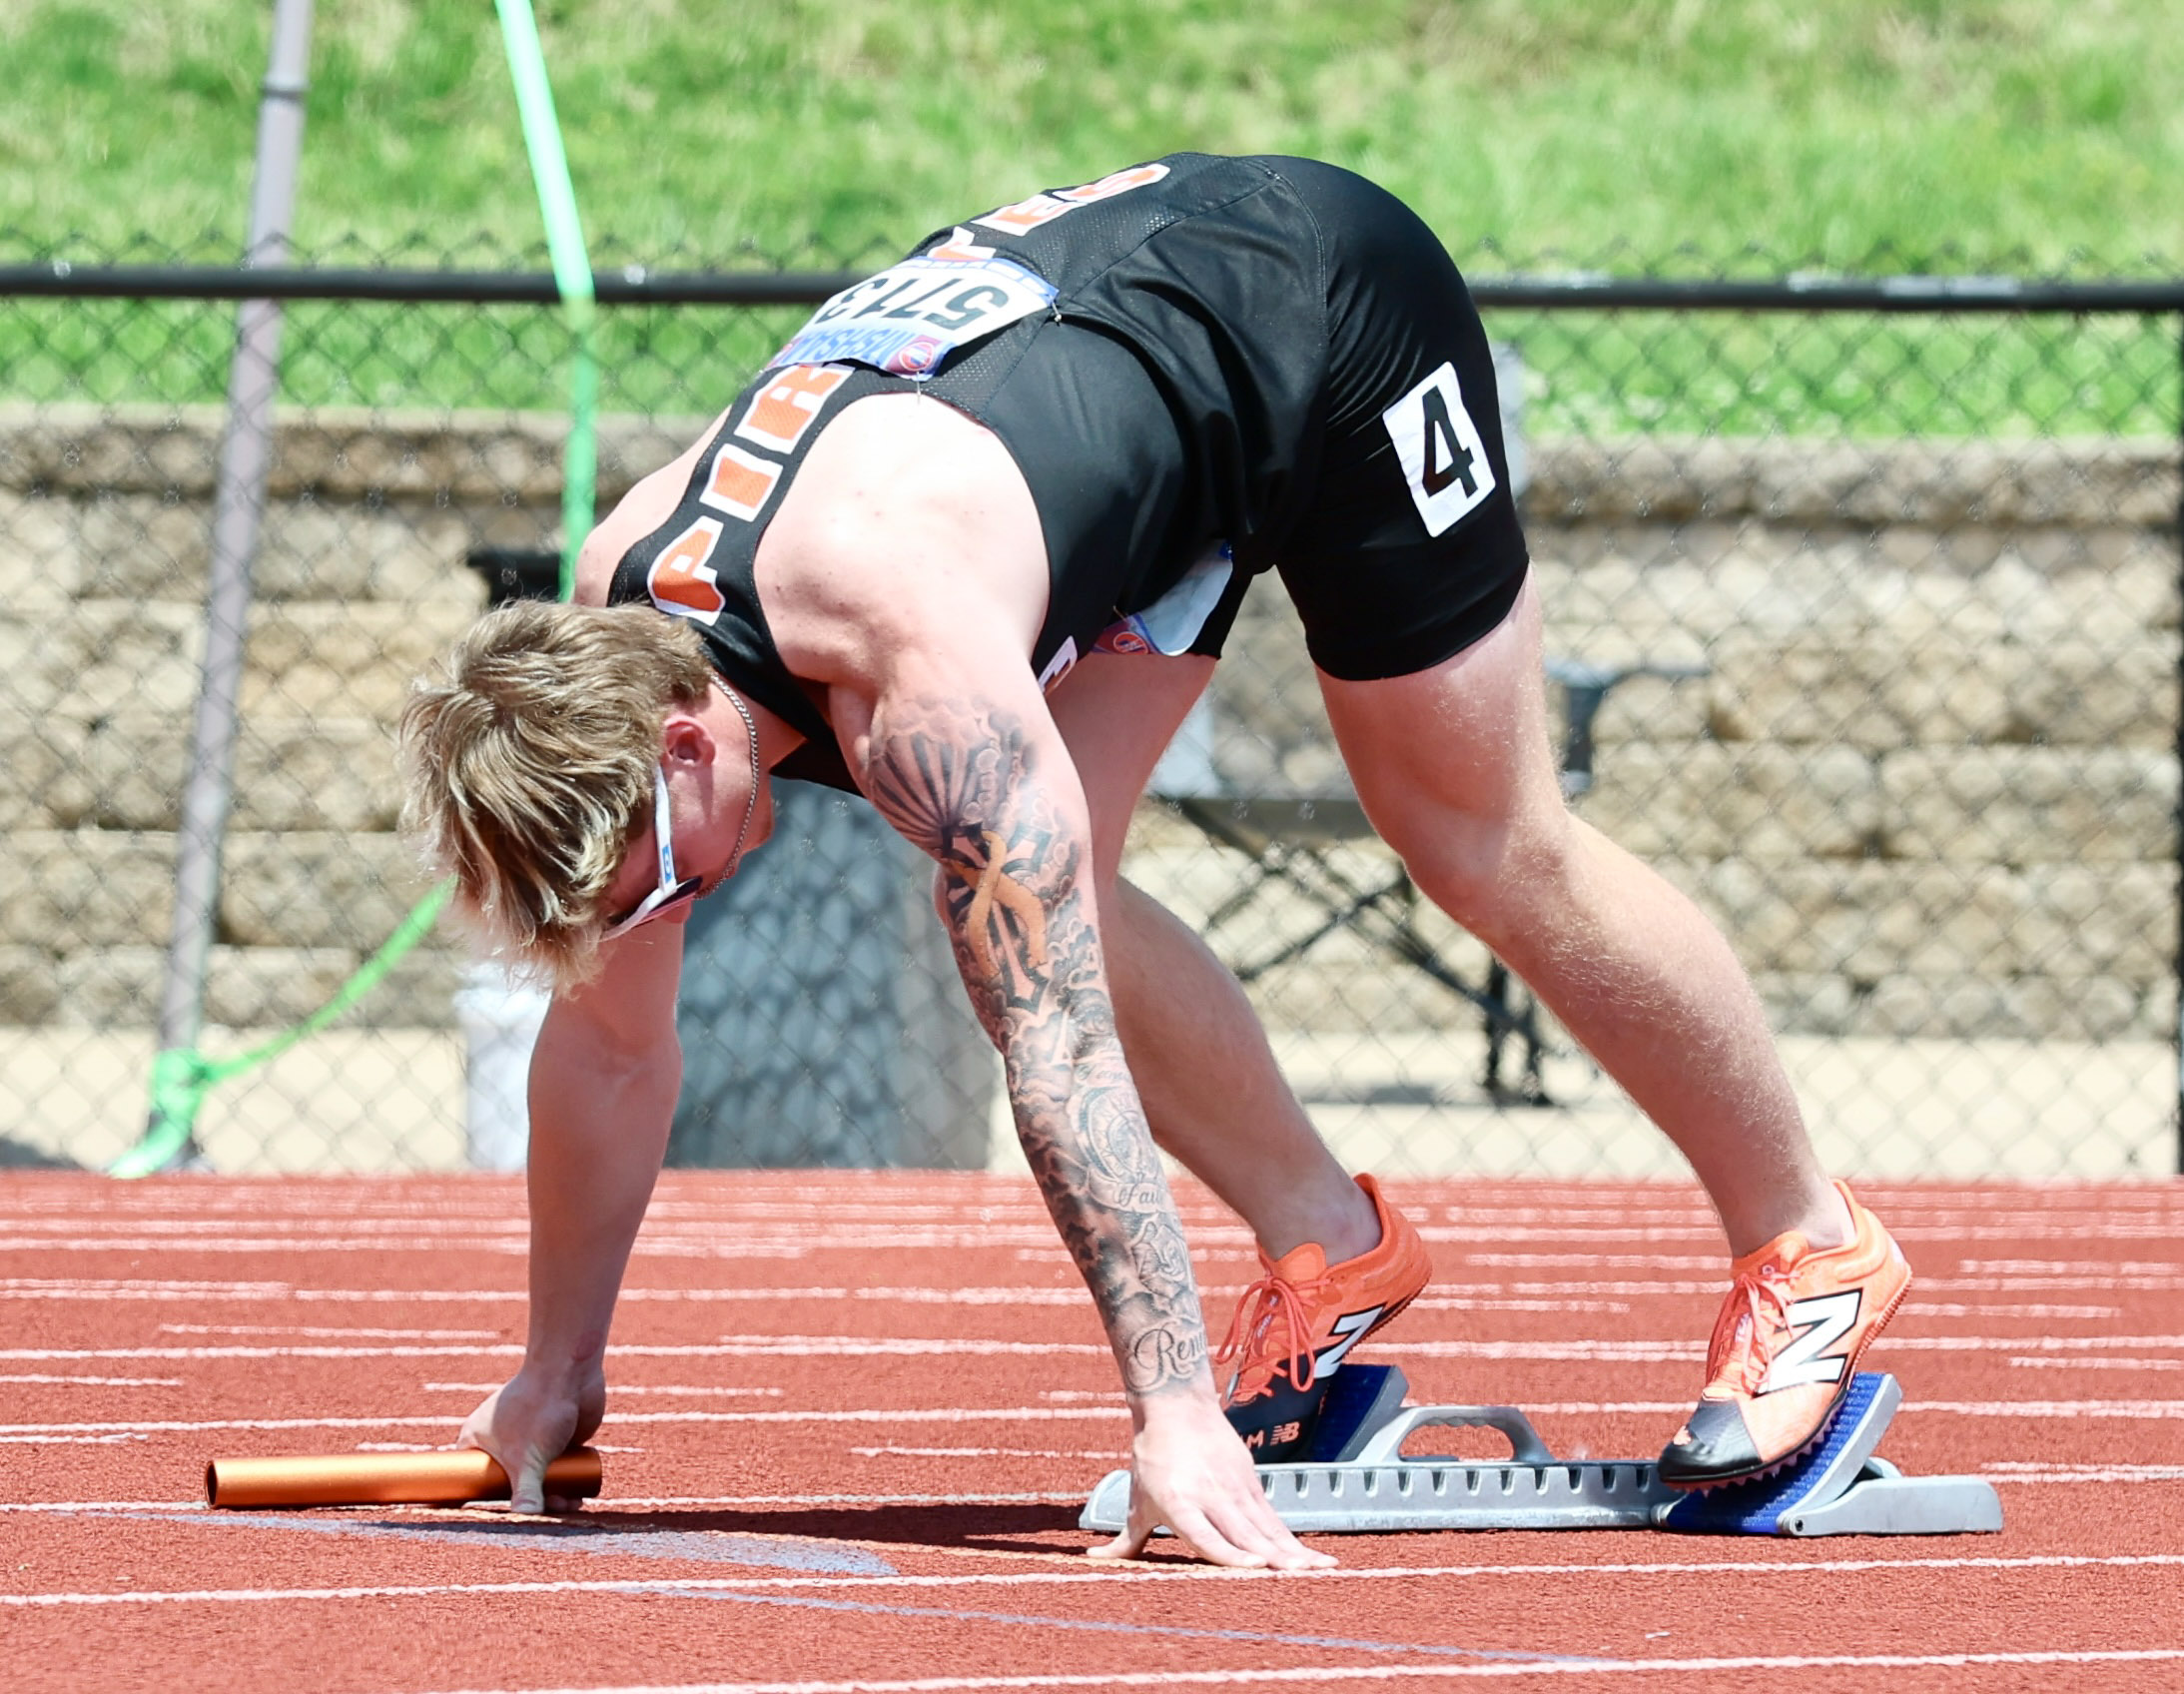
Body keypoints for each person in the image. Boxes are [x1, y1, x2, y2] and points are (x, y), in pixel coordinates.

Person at [399, 154, 1910, 1570]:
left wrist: (1174, 1410)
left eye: (661, 881)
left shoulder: (911, 670)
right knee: (1043, 899)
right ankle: (1332, 1245)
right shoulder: (616, 647)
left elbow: (1050, 1050)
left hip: (1321, 309)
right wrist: (555, 1367)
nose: (676, 909)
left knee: (1473, 840)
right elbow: (613, 1049)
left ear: (682, 744)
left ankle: (1812, 1242)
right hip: (1116, 405)